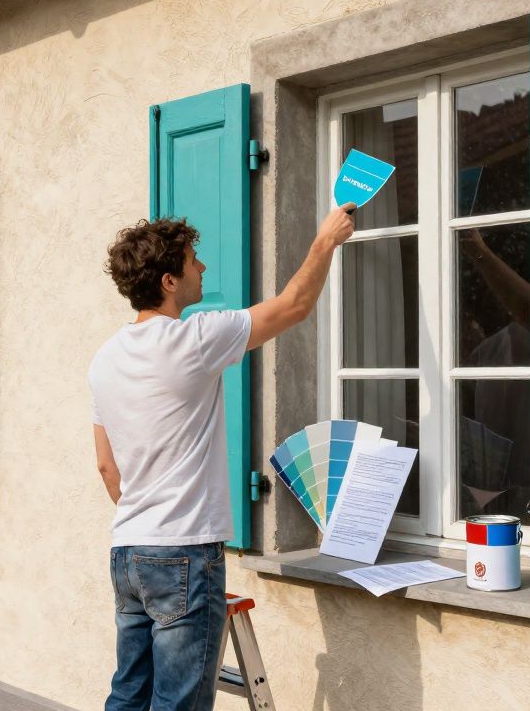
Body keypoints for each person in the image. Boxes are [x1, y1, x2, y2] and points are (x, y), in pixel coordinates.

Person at [90, 203, 356, 710]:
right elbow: (294, 305)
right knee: (179, 703)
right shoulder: (194, 339)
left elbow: (107, 466)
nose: (203, 269)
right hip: (183, 553)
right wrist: (326, 241)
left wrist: (147, 520)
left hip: (127, 553)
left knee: (129, 695)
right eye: (194, 261)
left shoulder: (104, 360)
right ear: (169, 280)